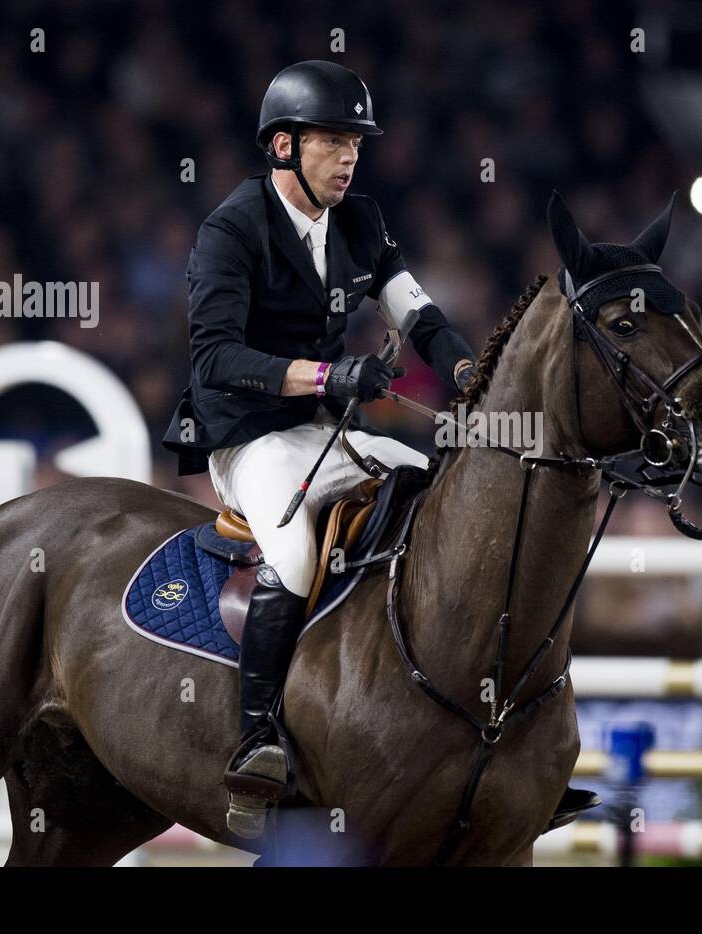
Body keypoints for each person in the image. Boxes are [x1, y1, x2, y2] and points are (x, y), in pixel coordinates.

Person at [161, 60, 478, 826]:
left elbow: (418, 315)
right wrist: (331, 376)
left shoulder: (362, 223)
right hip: (246, 439)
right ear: (281, 148)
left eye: (356, 145)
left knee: (439, 493)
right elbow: (217, 360)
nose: (349, 158)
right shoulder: (232, 230)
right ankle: (257, 740)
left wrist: (471, 370)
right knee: (296, 552)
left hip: (325, 432)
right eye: (333, 142)